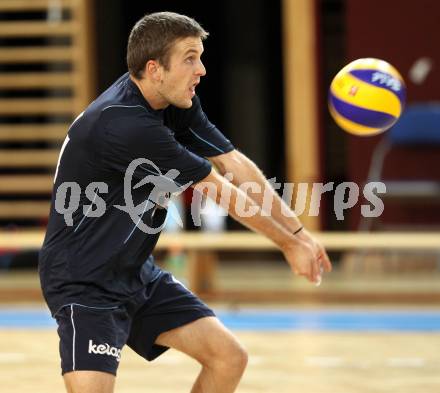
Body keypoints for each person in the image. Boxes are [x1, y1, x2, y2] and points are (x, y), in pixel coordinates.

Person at [39, 11, 332, 393]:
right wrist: (290, 245)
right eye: (190, 58)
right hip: (83, 280)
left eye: (201, 56)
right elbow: (219, 190)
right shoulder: (126, 125)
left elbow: (234, 163)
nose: (202, 69)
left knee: (228, 358)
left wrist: (299, 232)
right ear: (154, 69)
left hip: (133, 273)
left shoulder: (170, 103)